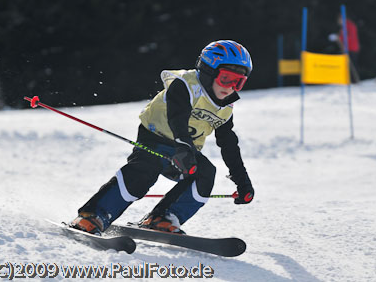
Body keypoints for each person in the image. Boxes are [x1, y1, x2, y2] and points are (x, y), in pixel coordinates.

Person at [69, 40, 255, 235]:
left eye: (239, 82)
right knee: (144, 171)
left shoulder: (225, 108)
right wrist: (184, 147)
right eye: (226, 78)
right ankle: (93, 215)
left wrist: (242, 180)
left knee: (205, 173)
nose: (231, 87)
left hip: (185, 150)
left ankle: (163, 217)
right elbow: (178, 117)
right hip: (155, 138)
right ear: (208, 72)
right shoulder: (186, 86)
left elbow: (228, 144)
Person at [329, 13, 360, 82]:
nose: (338, 22)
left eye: (339, 20)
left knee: (352, 65)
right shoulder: (344, 27)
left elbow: (350, 37)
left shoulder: (350, 26)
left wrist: (338, 37)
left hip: (352, 48)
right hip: (347, 48)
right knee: (347, 65)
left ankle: (354, 80)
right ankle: (349, 80)